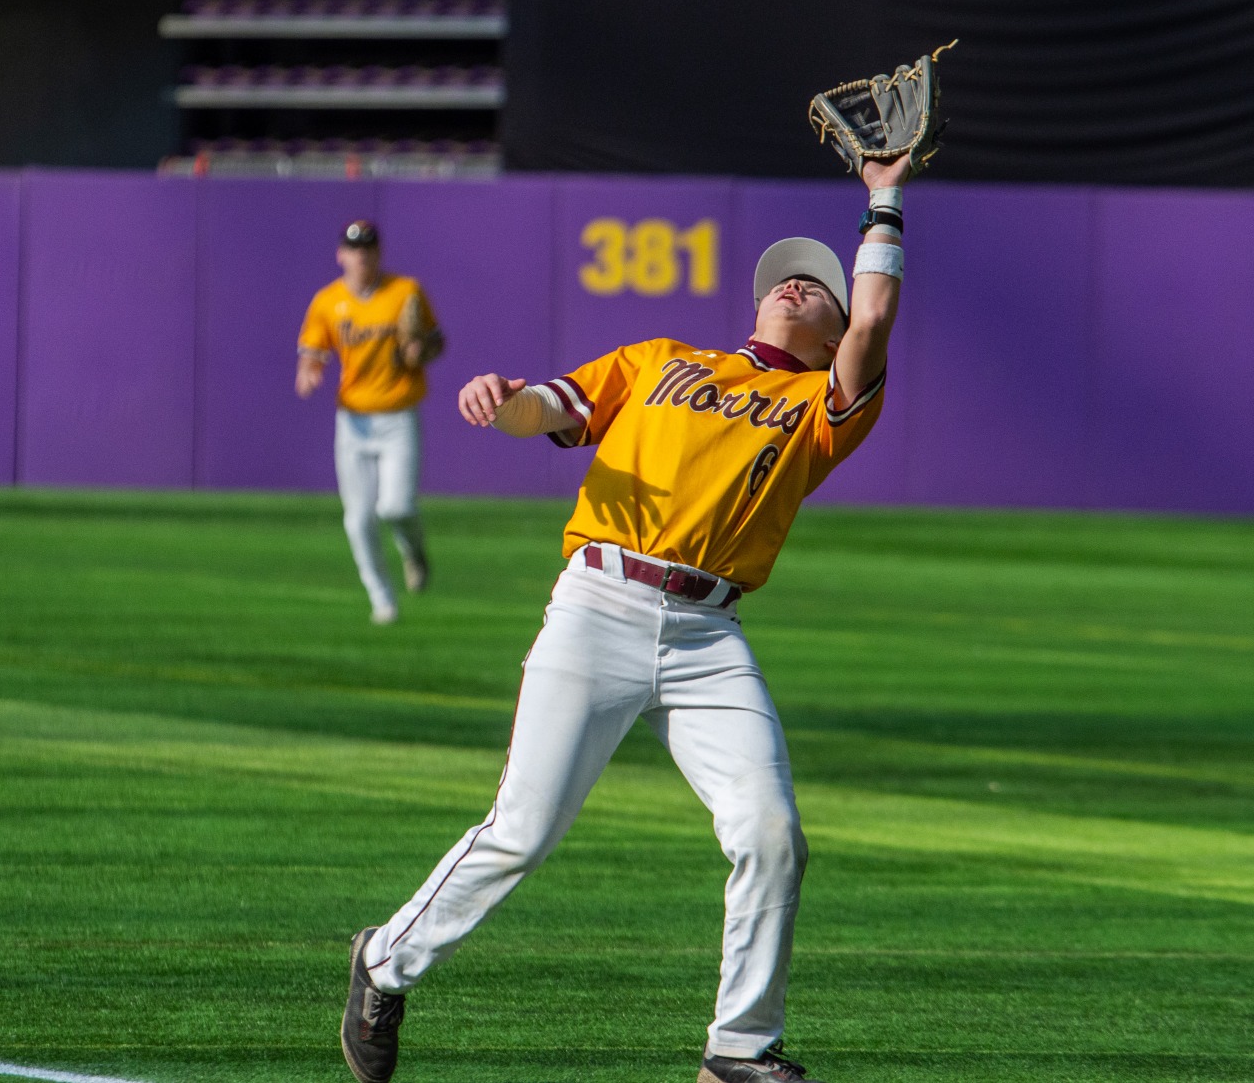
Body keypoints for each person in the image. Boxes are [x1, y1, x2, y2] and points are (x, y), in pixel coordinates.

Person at [340, 156, 911, 1083]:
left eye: (817, 286)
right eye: (783, 278)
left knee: (771, 832)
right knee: (524, 827)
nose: (795, 284)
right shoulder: (660, 361)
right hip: (597, 604)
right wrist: (503, 399)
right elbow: (551, 408)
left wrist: (883, 197)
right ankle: (383, 961)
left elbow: (879, 314)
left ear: (834, 334)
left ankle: (738, 1047)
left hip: (708, 636)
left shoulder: (821, 408)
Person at [297, 219, 445, 625]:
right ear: (341, 255)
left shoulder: (405, 292)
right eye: (354, 249)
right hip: (354, 420)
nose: (361, 256)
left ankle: (413, 551)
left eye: (368, 249)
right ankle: (382, 600)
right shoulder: (328, 301)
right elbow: (313, 347)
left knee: (395, 506)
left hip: (398, 415)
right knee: (358, 518)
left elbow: (435, 341)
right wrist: (309, 369)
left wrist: (420, 349)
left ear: (379, 253)